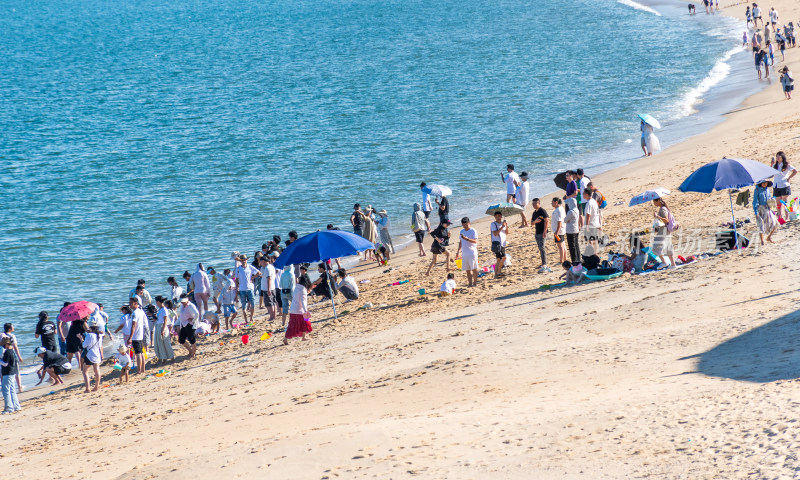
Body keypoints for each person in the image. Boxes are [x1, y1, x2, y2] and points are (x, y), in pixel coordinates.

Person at [284, 272, 313, 345]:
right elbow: (303, 300)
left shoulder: (296, 288)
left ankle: (285, 339)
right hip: (300, 310)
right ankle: (304, 337)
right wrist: (305, 310)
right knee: (305, 323)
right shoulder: (303, 290)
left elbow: (299, 297)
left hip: (293, 309)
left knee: (291, 325)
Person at [234, 254, 260, 324]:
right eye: (242, 260)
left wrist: (253, 277)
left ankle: (251, 318)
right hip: (242, 289)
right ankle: (245, 320)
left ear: (247, 260)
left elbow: (259, 272)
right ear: (240, 261)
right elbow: (236, 279)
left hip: (250, 288)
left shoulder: (250, 267)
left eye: (244, 260)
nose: (243, 261)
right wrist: (237, 288)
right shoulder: (238, 269)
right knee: (243, 305)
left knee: (252, 303)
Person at [651, 198, 677, 268]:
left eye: (654, 201)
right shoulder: (664, 208)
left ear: (658, 201)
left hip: (663, 230)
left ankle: (664, 262)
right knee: (668, 246)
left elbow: (666, 220)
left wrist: (657, 216)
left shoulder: (662, 209)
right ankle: (673, 264)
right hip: (666, 230)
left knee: (655, 246)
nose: (654, 203)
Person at [80, 319, 103, 393]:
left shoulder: (89, 335)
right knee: (97, 370)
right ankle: (96, 386)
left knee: (85, 371)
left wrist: (81, 339)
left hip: (90, 355)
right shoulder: (99, 335)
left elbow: (84, 345)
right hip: (97, 354)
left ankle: (87, 388)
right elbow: (100, 346)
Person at [455, 217, 479, 287]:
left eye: (466, 225)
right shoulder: (462, 231)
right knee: (467, 270)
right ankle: (470, 284)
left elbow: (475, 241)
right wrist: (458, 251)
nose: (465, 226)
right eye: (463, 225)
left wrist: (467, 239)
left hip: (472, 252)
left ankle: (475, 283)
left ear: (469, 223)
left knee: (474, 268)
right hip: (465, 253)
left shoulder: (473, 231)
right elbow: (460, 242)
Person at [529, 198, 551, 273]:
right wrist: (535, 221)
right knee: (540, 248)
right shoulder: (534, 213)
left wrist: (545, 231)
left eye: (535, 204)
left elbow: (547, 220)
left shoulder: (542, 211)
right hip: (537, 232)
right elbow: (531, 223)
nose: (534, 205)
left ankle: (544, 263)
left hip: (543, 232)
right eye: (533, 204)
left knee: (542, 248)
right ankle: (543, 263)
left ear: (539, 203)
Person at [772, 152, 796, 219]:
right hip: (776, 185)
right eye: (776, 156)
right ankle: (780, 217)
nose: (777, 158)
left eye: (779, 156)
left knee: (785, 202)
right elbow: (771, 174)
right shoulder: (775, 165)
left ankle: (787, 217)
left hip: (784, 185)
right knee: (778, 203)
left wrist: (789, 177)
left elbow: (795, 171)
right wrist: (771, 164)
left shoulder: (786, 165)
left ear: (782, 157)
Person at [753, 179, 778, 245]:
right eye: (763, 183)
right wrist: (756, 212)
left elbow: (769, 198)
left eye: (766, 183)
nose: (764, 184)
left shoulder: (767, 190)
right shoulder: (757, 190)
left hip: (768, 208)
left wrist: (772, 204)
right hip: (760, 208)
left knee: (775, 223)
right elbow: (755, 201)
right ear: (760, 183)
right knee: (761, 224)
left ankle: (769, 237)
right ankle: (762, 240)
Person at [1, 324, 23, 393]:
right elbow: (15, 347)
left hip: (3, 355)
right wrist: (19, 356)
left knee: (3, 372)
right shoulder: (12, 336)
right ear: (10, 329)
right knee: (17, 371)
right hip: (11, 354)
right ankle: (20, 387)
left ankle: (4, 388)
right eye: (13, 326)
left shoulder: (1, 335)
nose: (14, 327)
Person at [0, 337, 20, 413]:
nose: (3, 346)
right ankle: (16, 406)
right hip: (12, 372)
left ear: (7, 344)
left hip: (8, 373)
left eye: (4, 345)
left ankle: (9, 408)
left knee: (5, 390)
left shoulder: (7, 352)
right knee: (12, 390)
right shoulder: (12, 351)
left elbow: (5, 363)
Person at [128, 296, 148, 374]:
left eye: (131, 303)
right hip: (140, 334)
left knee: (138, 353)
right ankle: (142, 369)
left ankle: (139, 370)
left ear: (136, 303)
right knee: (141, 352)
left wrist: (130, 337)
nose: (130, 305)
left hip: (136, 335)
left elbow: (133, 325)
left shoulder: (135, 312)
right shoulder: (140, 311)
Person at [154, 297, 175, 365]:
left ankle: (171, 357)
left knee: (165, 342)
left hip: (162, 326)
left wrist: (163, 330)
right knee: (160, 343)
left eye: (156, 302)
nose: (156, 303)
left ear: (159, 302)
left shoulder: (164, 310)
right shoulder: (160, 309)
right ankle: (164, 358)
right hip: (158, 325)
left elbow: (165, 320)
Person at [177, 294, 199, 358]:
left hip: (190, 324)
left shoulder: (190, 306)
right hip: (184, 324)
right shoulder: (182, 306)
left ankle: (193, 354)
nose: (182, 302)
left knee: (191, 339)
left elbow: (197, 313)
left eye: (183, 301)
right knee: (181, 339)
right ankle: (190, 351)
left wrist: (193, 320)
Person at [490, 212, 509, 278]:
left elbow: (507, 233)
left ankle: (496, 275)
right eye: (496, 216)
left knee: (498, 259)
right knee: (504, 257)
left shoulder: (503, 223)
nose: (498, 217)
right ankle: (499, 272)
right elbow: (495, 233)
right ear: (495, 217)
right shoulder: (493, 224)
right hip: (497, 243)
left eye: (499, 216)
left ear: (501, 216)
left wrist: (506, 226)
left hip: (502, 243)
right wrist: (502, 227)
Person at [583, 189, 602, 255]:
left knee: (591, 240)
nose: (583, 195)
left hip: (591, 224)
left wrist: (587, 226)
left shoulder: (589, 203)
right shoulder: (593, 201)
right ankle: (594, 253)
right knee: (595, 240)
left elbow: (588, 215)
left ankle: (593, 253)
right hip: (595, 223)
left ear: (587, 194)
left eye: (584, 193)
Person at [564, 198, 582, 264]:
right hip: (576, 229)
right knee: (576, 245)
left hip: (570, 230)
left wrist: (567, 220)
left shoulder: (570, 211)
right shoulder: (576, 210)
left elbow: (565, 220)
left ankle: (574, 260)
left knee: (572, 246)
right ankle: (578, 259)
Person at [260, 256, 278, 322]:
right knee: (273, 302)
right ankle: (274, 316)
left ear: (264, 261)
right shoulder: (271, 266)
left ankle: (271, 317)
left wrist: (268, 289)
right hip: (272, 287)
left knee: (269, 303)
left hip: (268, 288)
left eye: (261, 261)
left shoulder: (267, 268)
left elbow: (269, 278)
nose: (260, 262)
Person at [551, 197, 567, 265]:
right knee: (563, 245)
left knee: (560, 246)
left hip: (559, 230)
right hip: (561, 229)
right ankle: (564, 259)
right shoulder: (561, 209)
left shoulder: (558, 210)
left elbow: (559, 222)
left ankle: (561, 261)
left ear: (556, 202)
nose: (551, 204)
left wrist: (557, 232)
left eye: (552, 202)